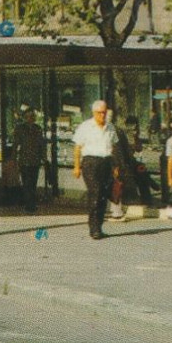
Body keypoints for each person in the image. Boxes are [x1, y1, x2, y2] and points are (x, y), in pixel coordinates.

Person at [71, 99, 118, 239]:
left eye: (104, 113)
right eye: (99, 113)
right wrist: (76, 166)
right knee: (95, 192)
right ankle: (93, 227)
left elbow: (114, 148)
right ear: (93, 112)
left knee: (103, 195)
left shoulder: (110, 127)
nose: (102, 116)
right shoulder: (85, 127)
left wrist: (115, 166)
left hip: (106, 163)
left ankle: (99, 225)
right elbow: (77, 148)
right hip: (90, 163)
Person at [10, 106, 45, 214]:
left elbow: (41, 144)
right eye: (29, 116)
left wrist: (44, 157)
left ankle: (31, 204)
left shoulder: (38, 128)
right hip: (24, 160)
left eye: (32, 116)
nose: (31, 118)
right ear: (25, 117)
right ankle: (29, 205)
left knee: (33, 183)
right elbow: (15, 144)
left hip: (35, 160)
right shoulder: (20, 129)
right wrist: (13, 158)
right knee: (26, 182)